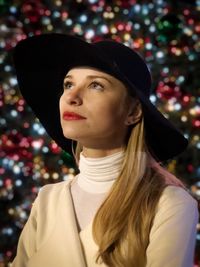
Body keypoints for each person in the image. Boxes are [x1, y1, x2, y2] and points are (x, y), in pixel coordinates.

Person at [11, 33, 198, 267]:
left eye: (96, 85)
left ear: (133, 112)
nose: (71, 96)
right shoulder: (48, 200)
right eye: (68, 84)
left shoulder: (169, 204)